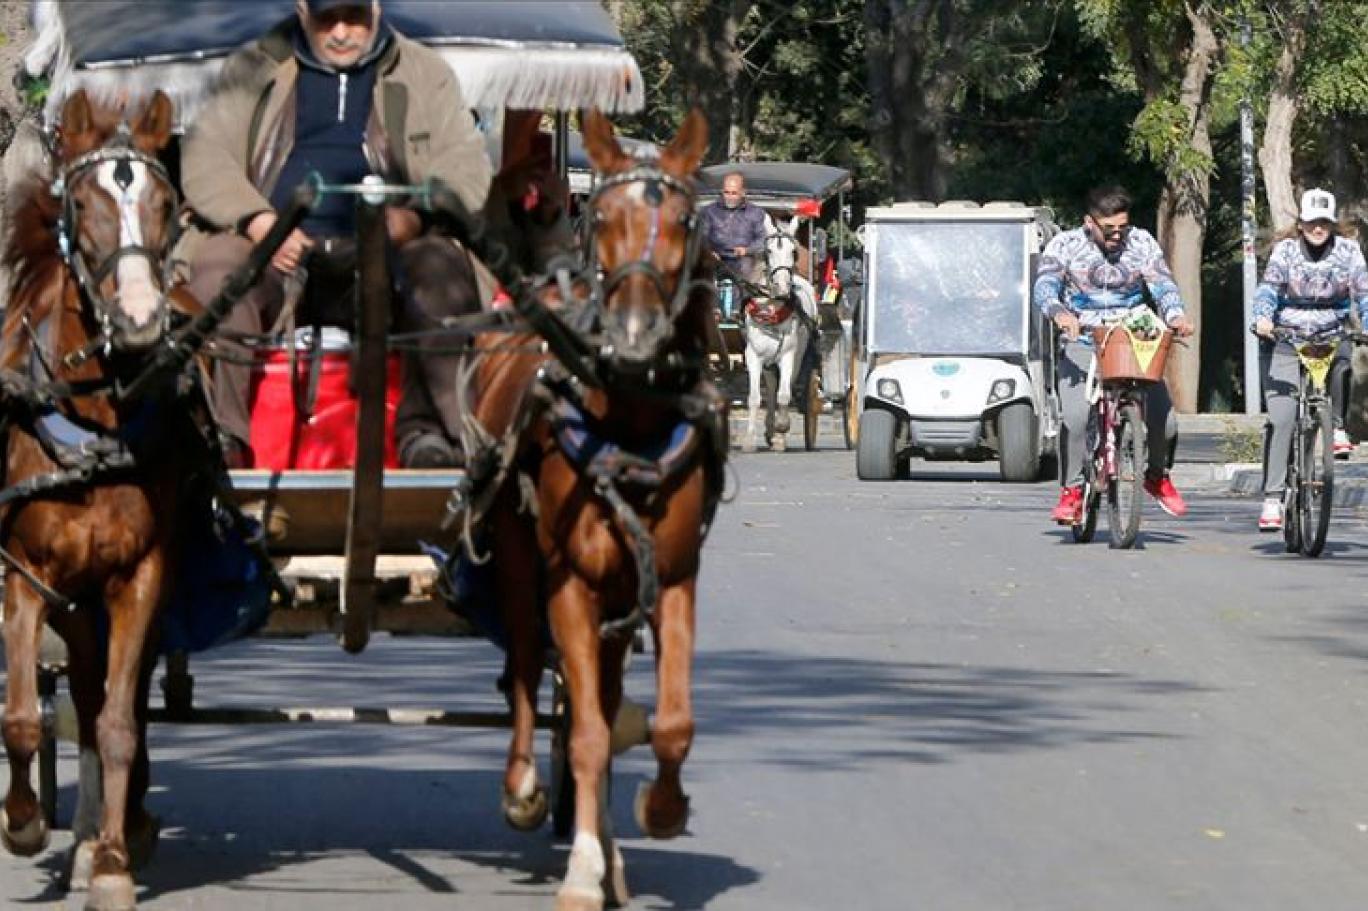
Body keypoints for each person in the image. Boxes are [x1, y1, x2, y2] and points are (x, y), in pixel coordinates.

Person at [181, 0, 492, 469]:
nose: (342, 32)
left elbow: (465, 166)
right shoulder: (253, 67)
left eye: (355, 17)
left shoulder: (427, 73)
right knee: (218, 268)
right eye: (328, 18)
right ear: (303, 10)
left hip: (386, 256)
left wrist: (413, 217)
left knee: (440, 266)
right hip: (275, 253)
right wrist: (260, 224)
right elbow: (205, 157)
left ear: (376, 7)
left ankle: (431, 437)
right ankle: (220, 437)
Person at [1032, 185, 1196, 524]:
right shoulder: (1065, 245)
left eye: (1123, 227)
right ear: (1089, 222)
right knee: (1075, 418)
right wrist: (1060, 313)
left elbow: (1162, 284)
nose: (1117, 235)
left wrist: (1175, 315)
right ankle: (1073, 491)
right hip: (1083, 337)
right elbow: (1045, 285)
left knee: (1164, 421)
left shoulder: (1142, 243)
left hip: (1133, 337)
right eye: (1109, 229)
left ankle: (1156, 475)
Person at [1251, 188, 1368, 530]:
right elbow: (1268, 289)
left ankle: (1338, 426)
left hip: (1330, 333)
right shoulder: (1285, 251)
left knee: (1345, 360)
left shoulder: (1348, 251)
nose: (1318, 228)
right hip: (1285, 336)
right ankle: (1273, 498)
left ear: (1332, 224)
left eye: (1324, 222)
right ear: (1301, 224)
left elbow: (1363, 292)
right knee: (1283, 418)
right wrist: (1263, 319)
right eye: (1312, 222)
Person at [699, 171, 767, 317]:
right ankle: (714, 310)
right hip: (716, 257)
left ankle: (738, 311)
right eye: (726, 192)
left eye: (734, 193)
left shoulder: (755, 213)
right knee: (703, 268)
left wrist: (747, 250)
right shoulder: (709, 211)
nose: (729, 196)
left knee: (747, 269)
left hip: (743, 258)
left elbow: (763, 239)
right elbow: (701, 236)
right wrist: (709, 251)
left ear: (743, 192)